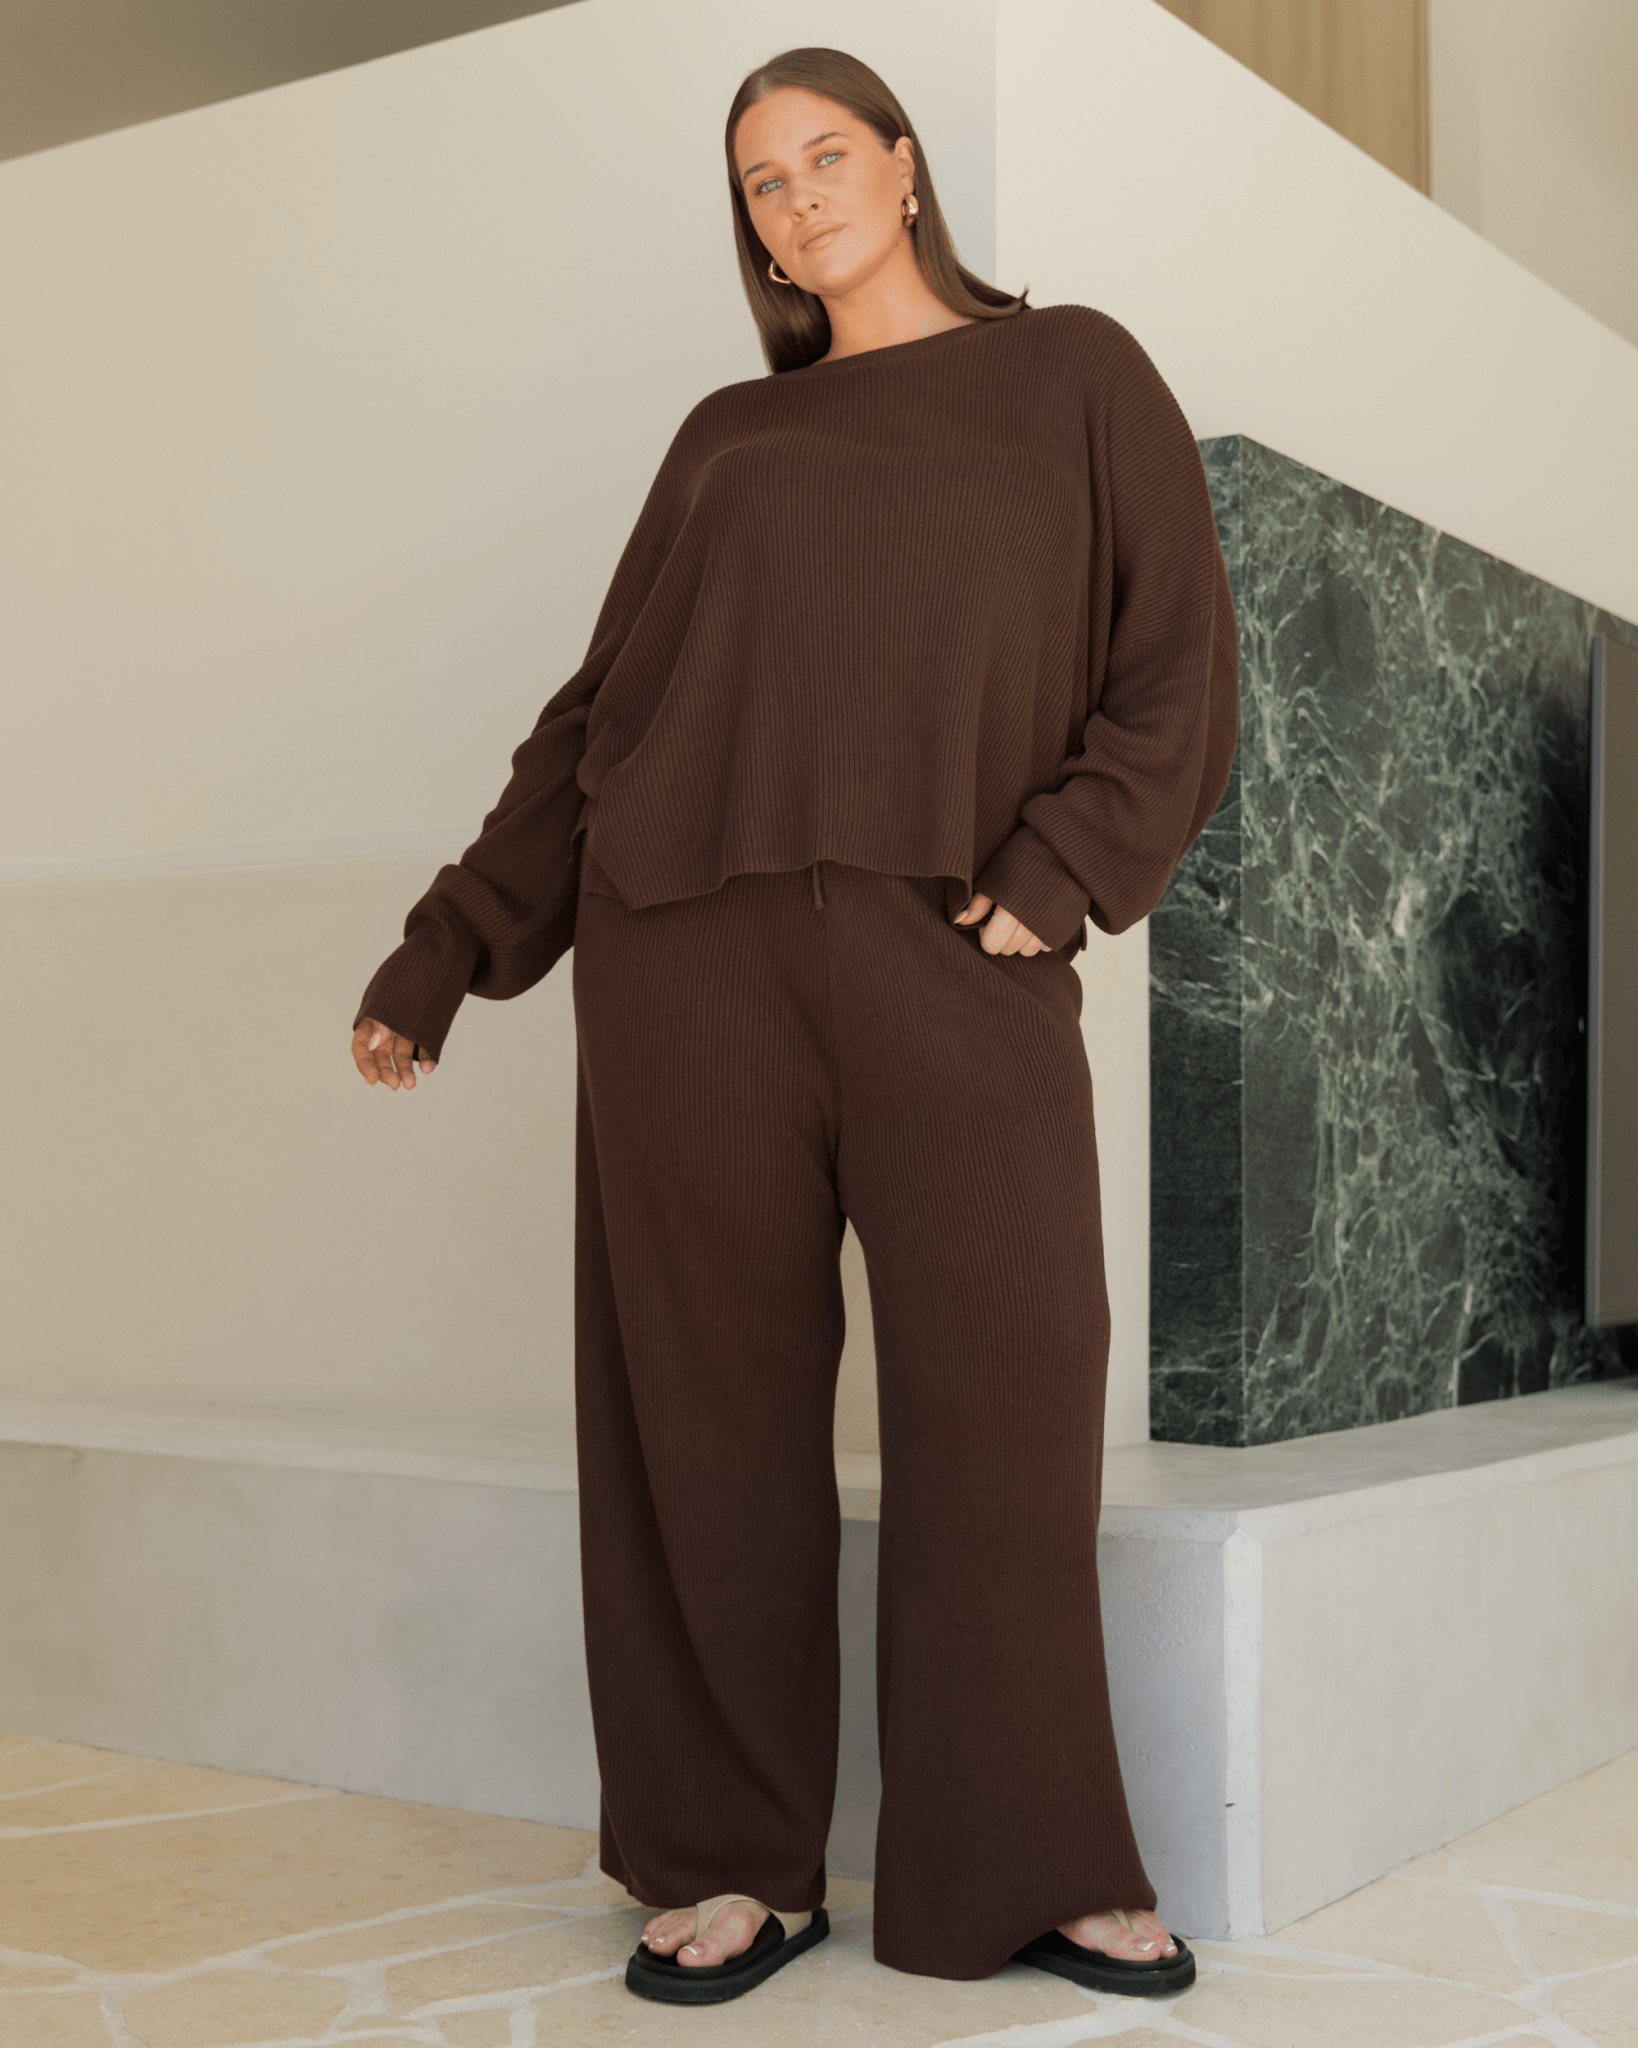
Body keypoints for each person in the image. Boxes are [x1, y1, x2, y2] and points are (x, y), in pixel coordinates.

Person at [351, 44, 1236, 2011]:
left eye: (828, 154)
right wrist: (449, 944)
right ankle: (730, 1863)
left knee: (1007, 1399)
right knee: (706, 1426)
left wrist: (1063, 865)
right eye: (761, 179)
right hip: (688, 965)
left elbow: (1176, 655)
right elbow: (601, 717)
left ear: (906, 168)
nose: (799, 194)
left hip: (958, 954)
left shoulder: (1076, 374)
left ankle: (1026, 1863)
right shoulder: (725, 440)